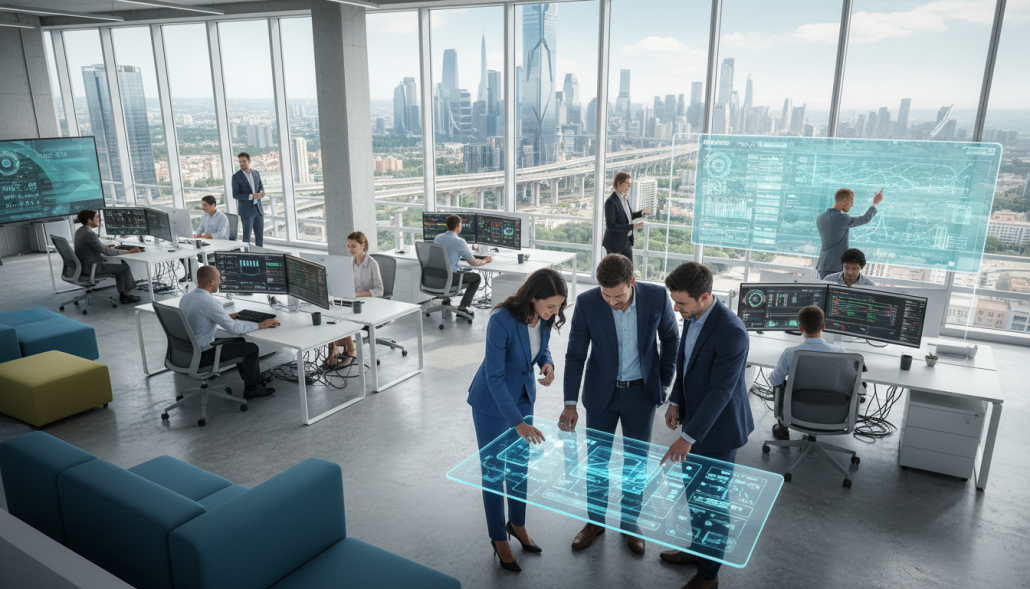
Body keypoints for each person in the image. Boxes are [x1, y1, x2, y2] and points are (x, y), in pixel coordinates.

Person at [561, 253, 678, 555]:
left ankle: (629, 523)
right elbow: (575, 354)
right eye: (606, 296)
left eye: (619, 296)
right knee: (597, 460)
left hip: (642, 394)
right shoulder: (587, 302)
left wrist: (664, 382)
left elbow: (671, 339)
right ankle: (595, 522)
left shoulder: (656, 297)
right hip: (601, 393)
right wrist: (570, 402)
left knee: (636, 462)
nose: (612, 302)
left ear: (632, 282)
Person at [658, 262, 754, 589]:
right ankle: (699, 550)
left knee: (712, 503)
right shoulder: (693, 316)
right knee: (695, 496)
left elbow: (720, 392)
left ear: (704, 296)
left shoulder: (731, 332)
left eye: (681, 303)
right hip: (695, 419)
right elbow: (685, 363)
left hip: (719, 430)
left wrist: (687, 437)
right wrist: (675, 401)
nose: (676, 309)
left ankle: (708, 576)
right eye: (674, 301)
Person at [466, 268, 567, 573]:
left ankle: (518, 524)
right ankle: (499, 537)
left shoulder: (544, 317)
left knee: (520, 467)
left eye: (559, 306)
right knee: (495, 472)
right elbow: (494, 377)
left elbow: (540, 347)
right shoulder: (501, 320)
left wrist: (547, 363)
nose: (555, 312)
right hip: (492, 403)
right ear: (533, 297)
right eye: (551, 306)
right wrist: (518, 422)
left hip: (523, 397)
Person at [179, 265, 278, 399]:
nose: (220, 281)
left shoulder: (186, 297)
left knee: (240, 342)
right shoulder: (210, 303)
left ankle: (252, 379)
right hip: (203, 355)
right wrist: (260, 325)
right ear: (211, 281)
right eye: (219, 278)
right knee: (252, 348)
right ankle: (252, 389)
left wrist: (224, 317)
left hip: (185, 352)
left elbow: (199, 317)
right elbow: (234, 329)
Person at [768, 305, 846, 441]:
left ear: (800, 328)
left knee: (779, 384)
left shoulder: (790, 353)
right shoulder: (839, 352)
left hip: (797, 412)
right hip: (833, 413)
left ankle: (783, 430)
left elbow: (775, 381)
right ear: (823, 326)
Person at [325, 231, 384, 369]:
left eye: (353, 246)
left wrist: (356, 294)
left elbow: (379, 291)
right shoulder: (348, 263)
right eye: (348, 246)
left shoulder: (372, 264)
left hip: (369, 303)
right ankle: (334, 348)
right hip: (351, 301)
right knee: (332, 314)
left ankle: (350, 351)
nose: (350, 249)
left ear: (363, 245)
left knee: (344, 317)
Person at [72, 209, 142, 304]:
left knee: (120, 266)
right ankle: (126, 295)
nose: (98, 219)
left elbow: (98, 247)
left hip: (83, 266)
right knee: (124, 267)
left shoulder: (80, 231)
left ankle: (124, 293)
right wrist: (128, 251)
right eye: (96, 217)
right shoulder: (89, 234)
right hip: (92, 268)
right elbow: (106, 251)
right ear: (89, 220)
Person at [816, 187, 883, 278]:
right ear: (844, 201)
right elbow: (865, 218)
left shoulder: (820, 217)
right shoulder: (842, 218)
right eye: (851, 202)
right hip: (836, 266)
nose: (852, 205)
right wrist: (875, 203)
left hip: (822, 265)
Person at [432, 214, 492, 315]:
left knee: (458, 271)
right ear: (458, 226)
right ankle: (463, 307)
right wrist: (485, 260)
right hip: (450, 278)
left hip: (436, 277)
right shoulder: (459, 241)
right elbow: (473, 262)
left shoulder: (438, 238)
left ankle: (446, 301)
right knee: (476, 277)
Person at [180, 195, 231, 283]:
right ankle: (191, 275)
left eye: (205, 205)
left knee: (198, 253)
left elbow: (220, 234)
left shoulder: (222, 217)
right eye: (202, 205)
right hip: (208, 243)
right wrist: (193, 236)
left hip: (220, 244)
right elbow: (199, 230)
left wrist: (201, 237)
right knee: (184, 252)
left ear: (213, 205)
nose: (203, 207)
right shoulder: (205, 216)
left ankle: (207, 278)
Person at [602, 171, 649, 260]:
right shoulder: (610, 202)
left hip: (626, 241)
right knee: (615, 268)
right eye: (627, 184)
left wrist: (640, 213)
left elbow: (627, 216)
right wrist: (632, 226)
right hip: (615, 244)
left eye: (630, 185)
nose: (629, 187)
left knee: (629, 267)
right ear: (619, 184)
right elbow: (611, 226)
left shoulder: (624, 198)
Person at [231, 152, 266, 246]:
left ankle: (260, 253)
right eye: (240, 162)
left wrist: (262, 192)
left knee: (259, 236)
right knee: (246, 237)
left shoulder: (256, 173)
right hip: (246, 211)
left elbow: (260, 186)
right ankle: (247, 254)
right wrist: (251, 196)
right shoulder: (236, 177)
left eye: (244, 161)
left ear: (249, 161)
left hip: (258, 209)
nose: (242, 164)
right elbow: (235, 195)